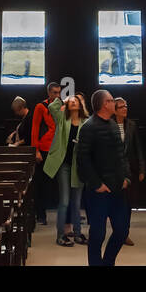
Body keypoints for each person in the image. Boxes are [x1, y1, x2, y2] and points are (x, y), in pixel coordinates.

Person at [75, 89, 131, 266]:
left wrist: (126, 178)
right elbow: (83, 160)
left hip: (117, 188)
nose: (115, 103)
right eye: (112, 100)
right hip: (99, 190)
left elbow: (121, 156)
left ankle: (107, 263)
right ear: (104, 104)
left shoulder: (113, 125)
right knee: (98, 234)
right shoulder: (89, 127)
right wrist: (96, 184)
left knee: (122, 231)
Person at [43, 92, 87, 246]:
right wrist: (62, 98)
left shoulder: (86, 122)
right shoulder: (62, 119)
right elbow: (52, 106)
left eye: (76, 101)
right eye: (71, 101)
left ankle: (77, 234)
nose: (73, 102)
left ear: (81, 105)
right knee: (64, 201)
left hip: (78, 166)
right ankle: (60, 235)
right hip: (63, 165)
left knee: (77, 202)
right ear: (67, 105)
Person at [114, 98, 145, 246]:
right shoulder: (109, 125)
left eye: (126, 106)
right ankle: (117, 232)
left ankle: (124, 233)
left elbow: (138, 148)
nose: (125, 109)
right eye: (121, 107)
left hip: (130, 169)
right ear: (115, 110)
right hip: (113, 169)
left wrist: (141, 168)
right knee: (115, 203)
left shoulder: (132, 125)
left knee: (127, 204)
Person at [30, 81, 61, 226]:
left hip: (57, 149)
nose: (57, 95)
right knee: (41, 184)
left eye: (58, 92)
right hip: (43, 149)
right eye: (54, 92)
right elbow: (35, 128)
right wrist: (35, 150)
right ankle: (41, 215)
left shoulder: (61, 106)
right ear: (49, 93)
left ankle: (63, 217)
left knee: (58, 184)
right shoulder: (40, 107)